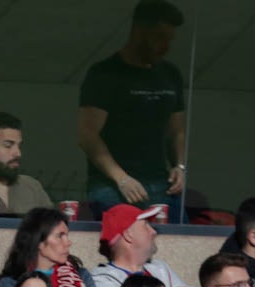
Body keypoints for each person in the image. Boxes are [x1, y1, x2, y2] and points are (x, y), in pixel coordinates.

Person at [77, 0, 187, 215]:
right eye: (159, 37)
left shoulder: (170, 74)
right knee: (123, 242)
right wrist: (121, 178)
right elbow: (87, 135)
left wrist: (180, 166)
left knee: (180, 241)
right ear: (139, 30)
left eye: (169, 38)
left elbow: (177, 130)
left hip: (161, 182)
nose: (165, 46)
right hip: (112, 185)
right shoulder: (105, 74)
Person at [92, 205, 202, 287]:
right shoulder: (102, 281)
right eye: (146, 225)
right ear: (128, 234)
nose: (154, 232)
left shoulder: (160, 268)